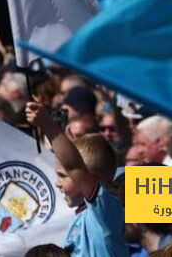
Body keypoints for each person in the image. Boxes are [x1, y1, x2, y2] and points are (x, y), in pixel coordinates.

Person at [26, 101, 127, 256]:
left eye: (63, 176)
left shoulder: (105, 210)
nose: (57, 183)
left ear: (91, 178)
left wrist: (48, 124)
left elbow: (74, 165)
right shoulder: (80, 217)